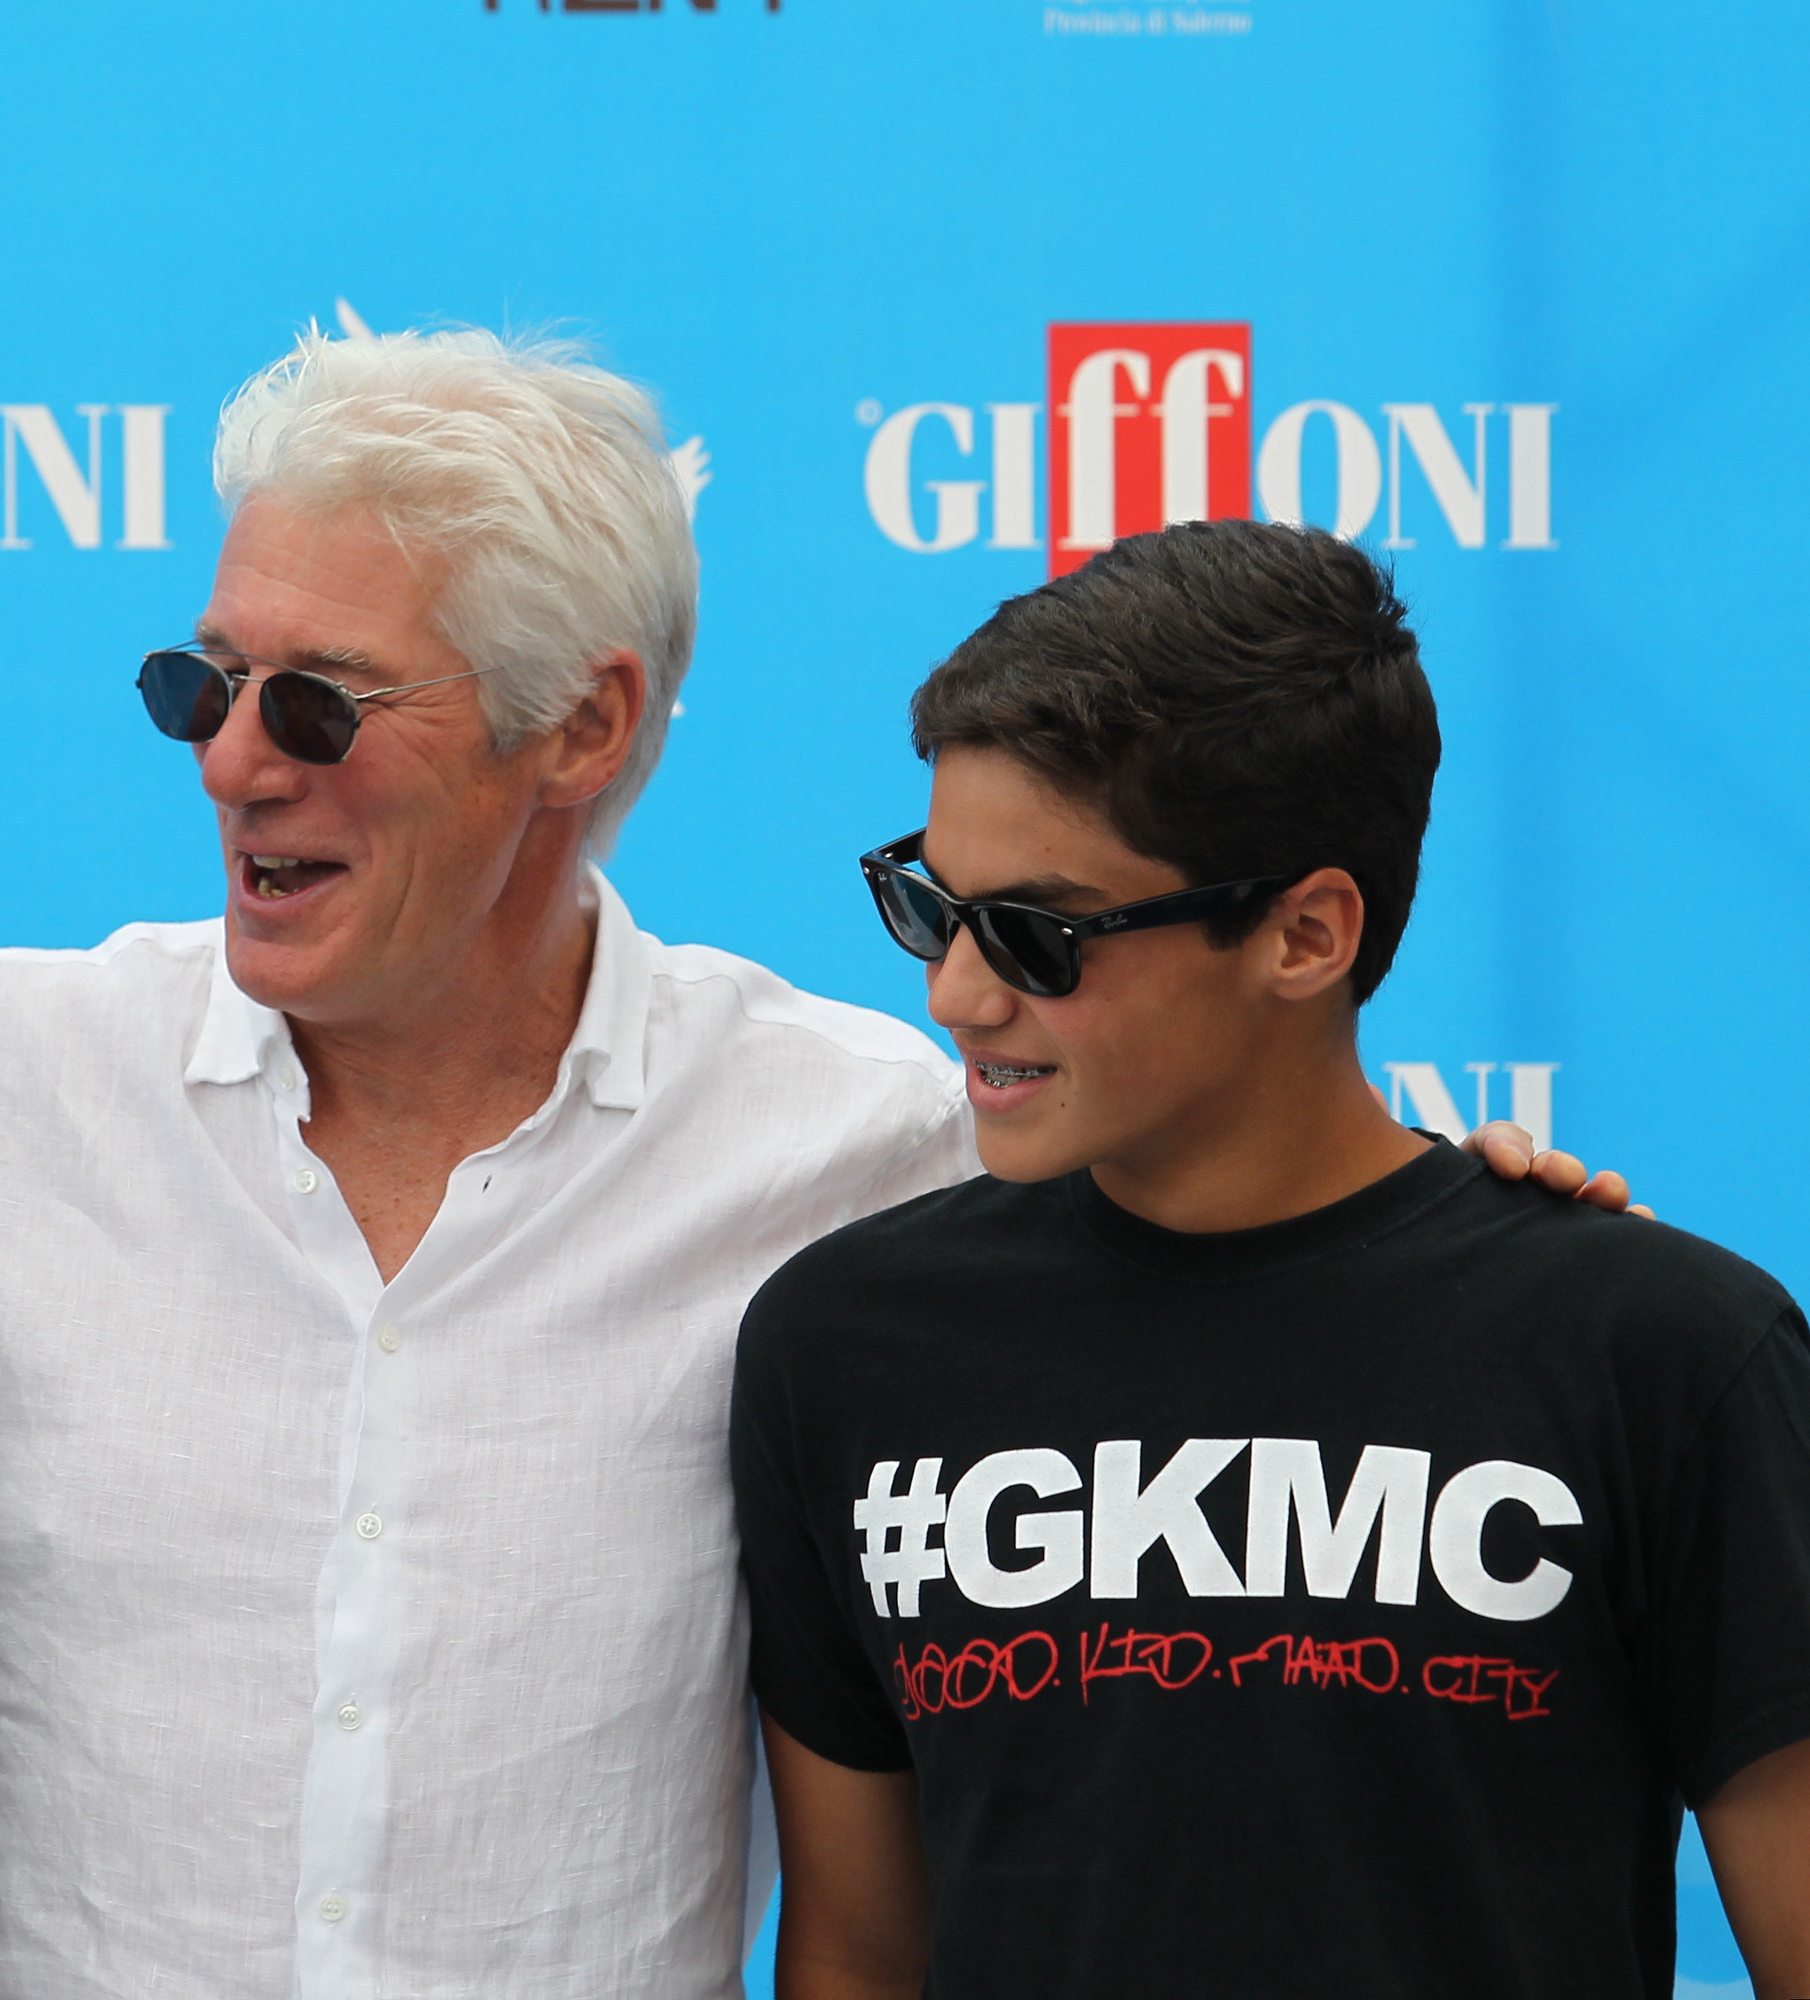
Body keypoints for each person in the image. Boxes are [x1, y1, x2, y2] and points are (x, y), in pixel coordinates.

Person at [0, 333, 1628, 2000]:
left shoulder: (875, 1141)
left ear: (585, 734)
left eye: (319, 706)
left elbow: (1259, 1246)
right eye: (200, 682)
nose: (232, 759)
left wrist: (1485, 1230)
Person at [730, 518, 1810, 1998]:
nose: (956, 993)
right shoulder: (842, 1344)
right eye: (928, 901)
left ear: (1305, 934)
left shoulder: (1664, 1351)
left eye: (1039, 935)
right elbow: (859, 1955)